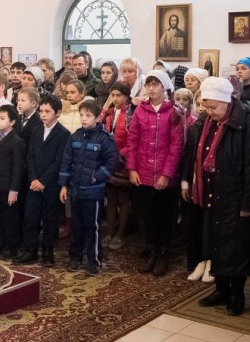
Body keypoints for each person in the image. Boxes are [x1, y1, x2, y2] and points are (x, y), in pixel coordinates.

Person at [182, 77, 250, 313]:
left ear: (226, 101)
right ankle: (221, 288)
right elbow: (194, 156)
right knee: (214, 243)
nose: (209, 111)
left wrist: (248, 202)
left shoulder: (246, 125)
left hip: (235, 196)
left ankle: (237, 293)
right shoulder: (203, 122)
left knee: (235, 247)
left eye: (213, 107)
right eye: (206, 106)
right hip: (210, 193)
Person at [127, 69, 185, 276]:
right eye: (148, 85)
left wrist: (166, 174)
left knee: (164, 217)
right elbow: (132, 141)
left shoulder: (174, 112)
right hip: (142, 173)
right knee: (147, 215)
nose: (151, 89)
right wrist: (132, 169)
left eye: (155, 84)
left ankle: (163, 253)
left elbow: (176, 147)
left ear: (164, 87)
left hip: (163, 175)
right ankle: (151, 249)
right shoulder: (140, 111)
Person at [58, 99, 118, 276]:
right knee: (77, 226)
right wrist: (63, 186)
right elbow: (66, 161)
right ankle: (75, 258)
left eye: (88, 116)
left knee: (92, 227)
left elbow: (113, 161)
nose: (84, 119)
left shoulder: (104, 138)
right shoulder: (75, 136)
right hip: (75, 191)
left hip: (93, 192)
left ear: (98, 117)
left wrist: (95, 176)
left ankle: (95, 261)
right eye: (82, 115)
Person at [16, 94, 69, 265]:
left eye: (48, 111)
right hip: (34, 181)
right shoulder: (36, 130)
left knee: (50, 217)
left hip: (51, 184)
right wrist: (33, 178)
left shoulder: (63, 134)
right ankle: (31, 249)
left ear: (58, 113)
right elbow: (30, 156)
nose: (43, 114)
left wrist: (43, 181)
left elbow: (58, 161)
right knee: (30, 215)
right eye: (41, 111)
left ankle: (48, 250)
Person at [0, 104, 25, 260]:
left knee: (10, 217)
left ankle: (10, 246)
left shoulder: (16, 142)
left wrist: (14, 190)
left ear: (12, 122)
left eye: (2, 118)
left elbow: (17, 168)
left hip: (8, 188)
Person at [101, 83, 133, 250]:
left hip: (123, 162)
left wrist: (119, 154)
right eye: (112, 95)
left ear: (126, 96)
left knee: (124, 199)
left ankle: (121, 234)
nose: (115, 99)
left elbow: (132, 139)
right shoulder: (109, 113)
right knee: (111, 197)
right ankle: (110, 232)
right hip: (110, 160)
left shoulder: (131, 114)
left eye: (118, 95)